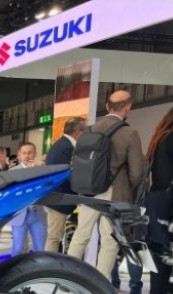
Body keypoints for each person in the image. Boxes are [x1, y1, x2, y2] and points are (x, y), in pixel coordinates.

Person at [67, 90, 145, 279]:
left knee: (81, 234)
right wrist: (128, 188)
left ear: (107, 106)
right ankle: (100, 281)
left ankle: (67, 276)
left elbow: (75, 161)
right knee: (109, 239)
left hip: (89, 189)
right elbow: (137, 172)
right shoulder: (129, 133)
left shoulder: (89, 130)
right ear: (128, 107)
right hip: (115, 191)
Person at [144, 104, 173, 294]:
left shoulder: (160, 138)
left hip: (155, 199)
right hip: (168, 202)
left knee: (158, 248)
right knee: (164, 250)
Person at [44, 117, 86, 252]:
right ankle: (49, 263)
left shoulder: (61, 144)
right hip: (59, 201)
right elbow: (69, 174)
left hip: (56, 198)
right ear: (78, 131)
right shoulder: (66, 147)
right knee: (54, 237)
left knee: (55, 236)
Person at [10, 142, 47, 255]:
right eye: (24, 153)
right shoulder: (12, 172)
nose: (27, 156)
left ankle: (37, 267)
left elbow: (44, 188)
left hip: (38, 214)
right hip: (20, 214)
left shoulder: (41, 170)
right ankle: (15, 267)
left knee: (40, 248)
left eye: (30, 153)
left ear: (35, 154)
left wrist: (34, 172)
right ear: (19, 155)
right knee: (18, 248)